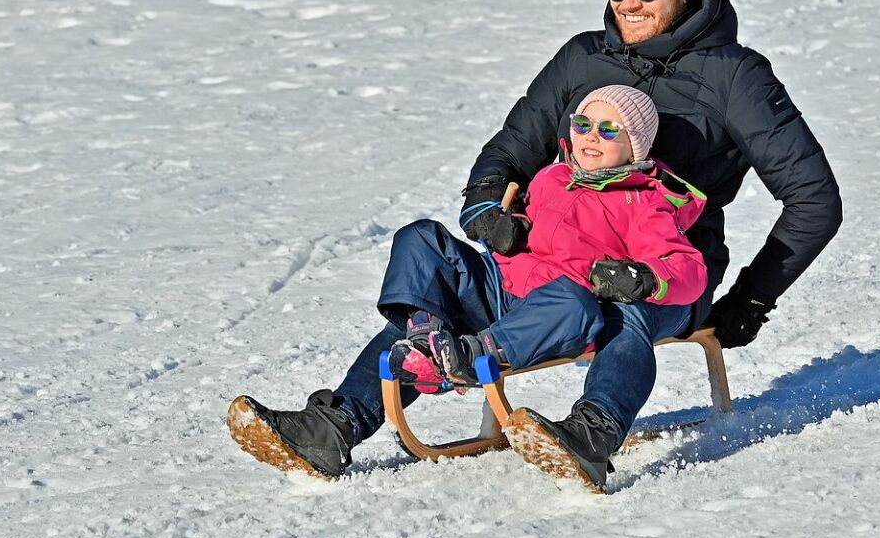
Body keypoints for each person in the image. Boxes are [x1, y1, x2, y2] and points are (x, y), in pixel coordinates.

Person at [227, 0, 842, 491]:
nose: (627, 3)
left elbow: (814, 198)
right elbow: (508, 151)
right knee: (441, 288)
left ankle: (590, 435)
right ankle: (335, 425)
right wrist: (490, 213)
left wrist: (748, 301)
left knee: (619, 313)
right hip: (554, 259)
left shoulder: (736, 77)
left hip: (658, 268)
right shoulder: (582, 60)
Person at [228, 86, 707, 491]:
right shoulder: (552, 177)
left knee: (574, 296)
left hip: (555, 312)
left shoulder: (643, 202)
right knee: (421, 237)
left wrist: (643, 277)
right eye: (583, 124)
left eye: (608, 130)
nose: (590, 138)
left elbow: (687, 269)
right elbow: (528, 230)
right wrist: (509, 227)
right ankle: (388, 373)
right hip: (500, 288)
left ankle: (461, 355)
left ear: (636, 145)